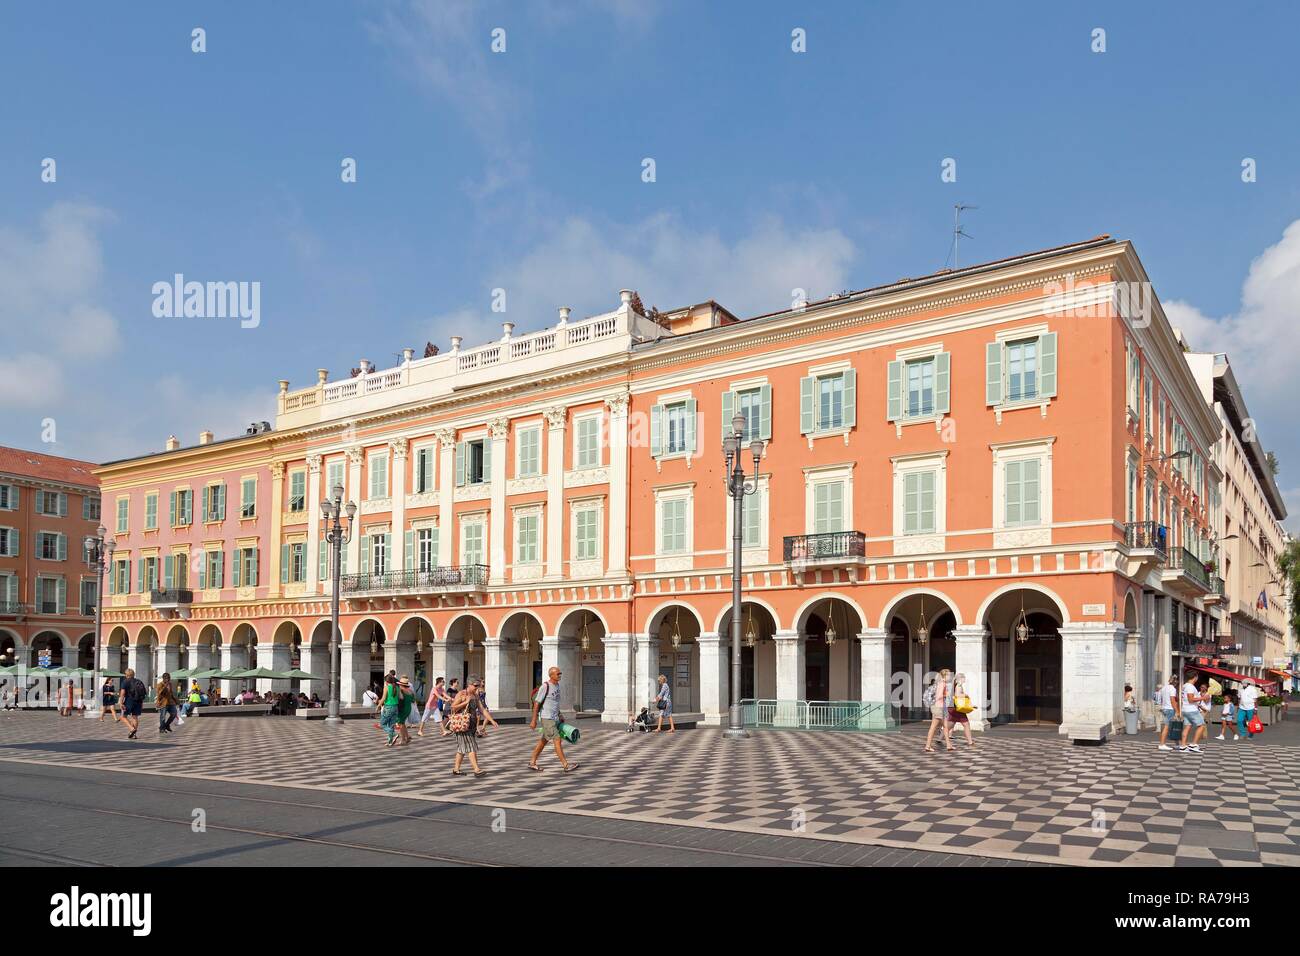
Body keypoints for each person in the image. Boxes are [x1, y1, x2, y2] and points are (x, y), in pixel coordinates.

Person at [528, 666, 576, 772]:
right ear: (551, 675)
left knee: (544, 740)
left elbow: (555, 703)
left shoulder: (557, 686)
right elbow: (537, 703)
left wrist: (560, 714)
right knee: (557, 739)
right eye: (558, 674)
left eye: (560, 673)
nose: (560, 675)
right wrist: (533, 720)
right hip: (547, 718)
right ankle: (566, 765)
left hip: (554, 717)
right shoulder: (545, 686)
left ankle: (532, 762)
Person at [449, 676, 487, 776]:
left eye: (479, 685)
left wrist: (491, 720)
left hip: (471, 725)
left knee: (461, 749)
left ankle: (456, 769)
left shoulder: (475, 695)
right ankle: (477, 769)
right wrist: (465, 702)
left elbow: (482, 709)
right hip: (463, 725)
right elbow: (453, 708)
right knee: (471, 746)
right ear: (469, 684)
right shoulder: (461, 694)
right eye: (475, 685)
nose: (477, 687)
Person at [924, 668, 955, 753]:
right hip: (939, 707)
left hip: (941, 707)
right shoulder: (942, 683)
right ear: (945, 675)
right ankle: (928, 746)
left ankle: (949, 745)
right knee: (933, 727)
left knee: (945, 726)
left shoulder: (941, 683)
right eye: (949, 674)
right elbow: (938, 696)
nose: (950, 676)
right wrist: (947, 695)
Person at [1178, 669, 1204, 753]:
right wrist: (1203, 698)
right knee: (1201, 726)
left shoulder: (1185, 685)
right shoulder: (1190, 687)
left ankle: (1183, 746)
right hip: (1191, 709)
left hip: (1185, 709)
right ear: (1195, 677)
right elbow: (1191, 699)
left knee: (1187, 727)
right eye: (1197, 676)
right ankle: (1194, 744)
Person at [118, 668, 147, 740]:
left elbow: (122, 693)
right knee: (135, 717)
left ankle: (131, 729)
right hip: (138, 701)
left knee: (122, 717)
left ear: (126, 674)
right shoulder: (139, 681)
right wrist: (142, 703)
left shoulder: (125, 682)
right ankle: (134, 735)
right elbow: (142, 693)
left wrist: (121, 702)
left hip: (129, 701)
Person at [948, 672, 975, 747]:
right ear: (960, 679)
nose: (965, 679)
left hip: (955, 708)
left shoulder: (955, 685)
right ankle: (970, 742)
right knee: (966, 724)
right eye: (964, 678)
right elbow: (957, 695)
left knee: (950, 725)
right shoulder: (958, 686)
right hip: (958, 709)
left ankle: (940, 738)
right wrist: (966, 695)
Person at [377, 674, 402, 747]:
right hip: (395, 708)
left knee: (382, 724)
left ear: (386, 681)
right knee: (391, 725)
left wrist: (378, 705)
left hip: (388, 707)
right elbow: (401, 697)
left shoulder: (386, 687)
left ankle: (394, 734)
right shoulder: (397, 687)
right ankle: (390, 742)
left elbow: (384, 698)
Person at [1156, 674, 1179, 751]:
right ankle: (1162, 744)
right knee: (1166, 727)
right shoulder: (1172, 689)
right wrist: (1177, 711)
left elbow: (1161, 699)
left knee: (1165, 726)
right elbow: (1173, 700)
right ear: (1175, 682)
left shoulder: (1164, 688)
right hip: (1169, 709)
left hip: (1164, 708)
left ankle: (1164, 743)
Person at [395, 676, 417, 745]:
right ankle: (407, 737)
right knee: (403, 723)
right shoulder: (410, 691)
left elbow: (400, 698)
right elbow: (413, 701)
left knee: (400, 723)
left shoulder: (401, 690)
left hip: (403, 708)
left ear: (401, 684)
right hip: (408, 708)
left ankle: (403, 740)